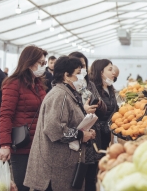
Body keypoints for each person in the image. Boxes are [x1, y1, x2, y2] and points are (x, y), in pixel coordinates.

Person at [24, 56, 96, 191]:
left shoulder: (68, 93)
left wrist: (86, 131)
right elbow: (54, 129)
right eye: (78, 73)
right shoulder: (60, 95)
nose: (81, 77)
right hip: (54, 168)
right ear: (66, 76)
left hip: (61, 164)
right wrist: (81, 135)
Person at [0, 46, 48, 191]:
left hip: (39, 144)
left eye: (44, 63)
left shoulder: (38, 84)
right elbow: (5, 115)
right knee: (22, 185)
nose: (43, 67)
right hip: (22, 144)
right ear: (29, 62)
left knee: (41, 185)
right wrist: (5, 145)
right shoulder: (13, 83)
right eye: (40, 63)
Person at [69, 52, 104, 191]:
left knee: (91, 176)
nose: (80, 69)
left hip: (93, 136)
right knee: (76, 178)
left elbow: (103, 109)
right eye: (77, 67)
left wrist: (99, 104)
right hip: (76, 139)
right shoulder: (66, 89)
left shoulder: (89, 84)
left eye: (83, 66)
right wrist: (84, 111)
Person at [89, 59, 118, 150]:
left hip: (109, 132)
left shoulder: (110, 88)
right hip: (98, 136)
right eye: (110, 70)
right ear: (101, 72)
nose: (114, 73)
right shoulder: (94, 90)